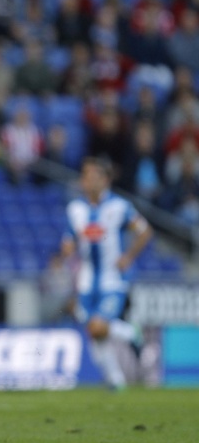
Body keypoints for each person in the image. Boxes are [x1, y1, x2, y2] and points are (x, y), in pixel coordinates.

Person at [61, 157, 153, 390]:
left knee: (98, 326)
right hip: (86, 281)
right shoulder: (75, 209)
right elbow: (68, 240)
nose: (87, 180)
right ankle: (116, 381)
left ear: (105, 180)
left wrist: (128, 257)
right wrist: (68, 248)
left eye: (93, 176)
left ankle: (132, 333)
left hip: (112, 280)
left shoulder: (120, 206)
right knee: (95, 332)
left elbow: (144, 231)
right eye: (85, 175)